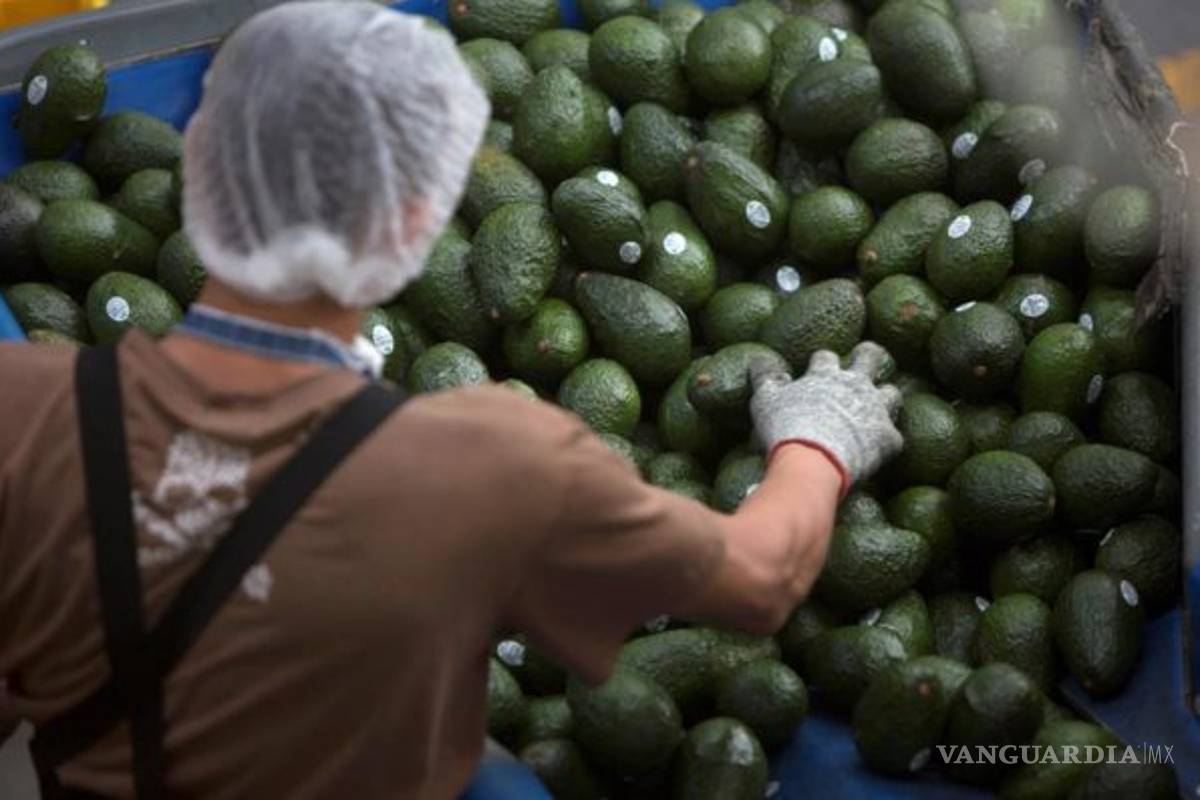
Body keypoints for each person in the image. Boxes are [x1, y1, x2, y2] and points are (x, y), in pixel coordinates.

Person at [0, 3, 904, 798]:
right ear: (416, 230)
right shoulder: (493, 458)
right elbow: (760, 578)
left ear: (196, 167)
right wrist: (819, 435)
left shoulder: (23, 402)